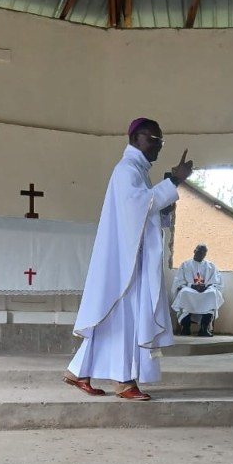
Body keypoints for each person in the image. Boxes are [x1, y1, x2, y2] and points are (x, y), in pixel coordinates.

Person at [64, 118, 194, 400]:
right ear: (136, 138)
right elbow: (136, 206)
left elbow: (146, 209)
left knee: (113, 318)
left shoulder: (138, 170)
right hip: (126, 261)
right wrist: (173, 181)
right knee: (124, 319)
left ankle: (79, 372)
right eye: (153, 140)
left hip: (132, 256)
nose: (158, 147)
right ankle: (124, 382)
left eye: (161, 142)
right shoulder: (126, 170)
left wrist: (166, 197)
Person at [171, 244, 224, 336]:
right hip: (189, 289)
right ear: (194, 251)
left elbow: (216, 282)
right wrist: (192, 285)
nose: (201, 254)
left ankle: (203, 328)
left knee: (212, 293)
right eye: (199, 251)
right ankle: (186, 327)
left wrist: (206, 286)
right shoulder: (185, 264)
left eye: (204, 253)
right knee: (184, 292)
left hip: (205, 290)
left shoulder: (210, 266)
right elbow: (179, 281)